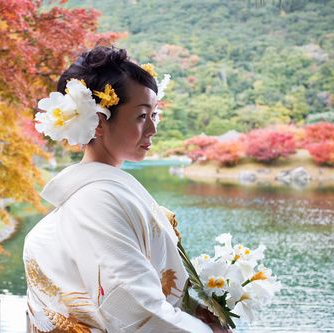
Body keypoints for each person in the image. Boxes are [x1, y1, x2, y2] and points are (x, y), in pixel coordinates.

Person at [23, 46, 230, 333]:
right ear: (97, 122)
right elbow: (131, 304)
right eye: (141, 116)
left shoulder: (103, 191)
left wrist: (193, 308)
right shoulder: (95, 199)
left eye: (154, 115)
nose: (153, 130)